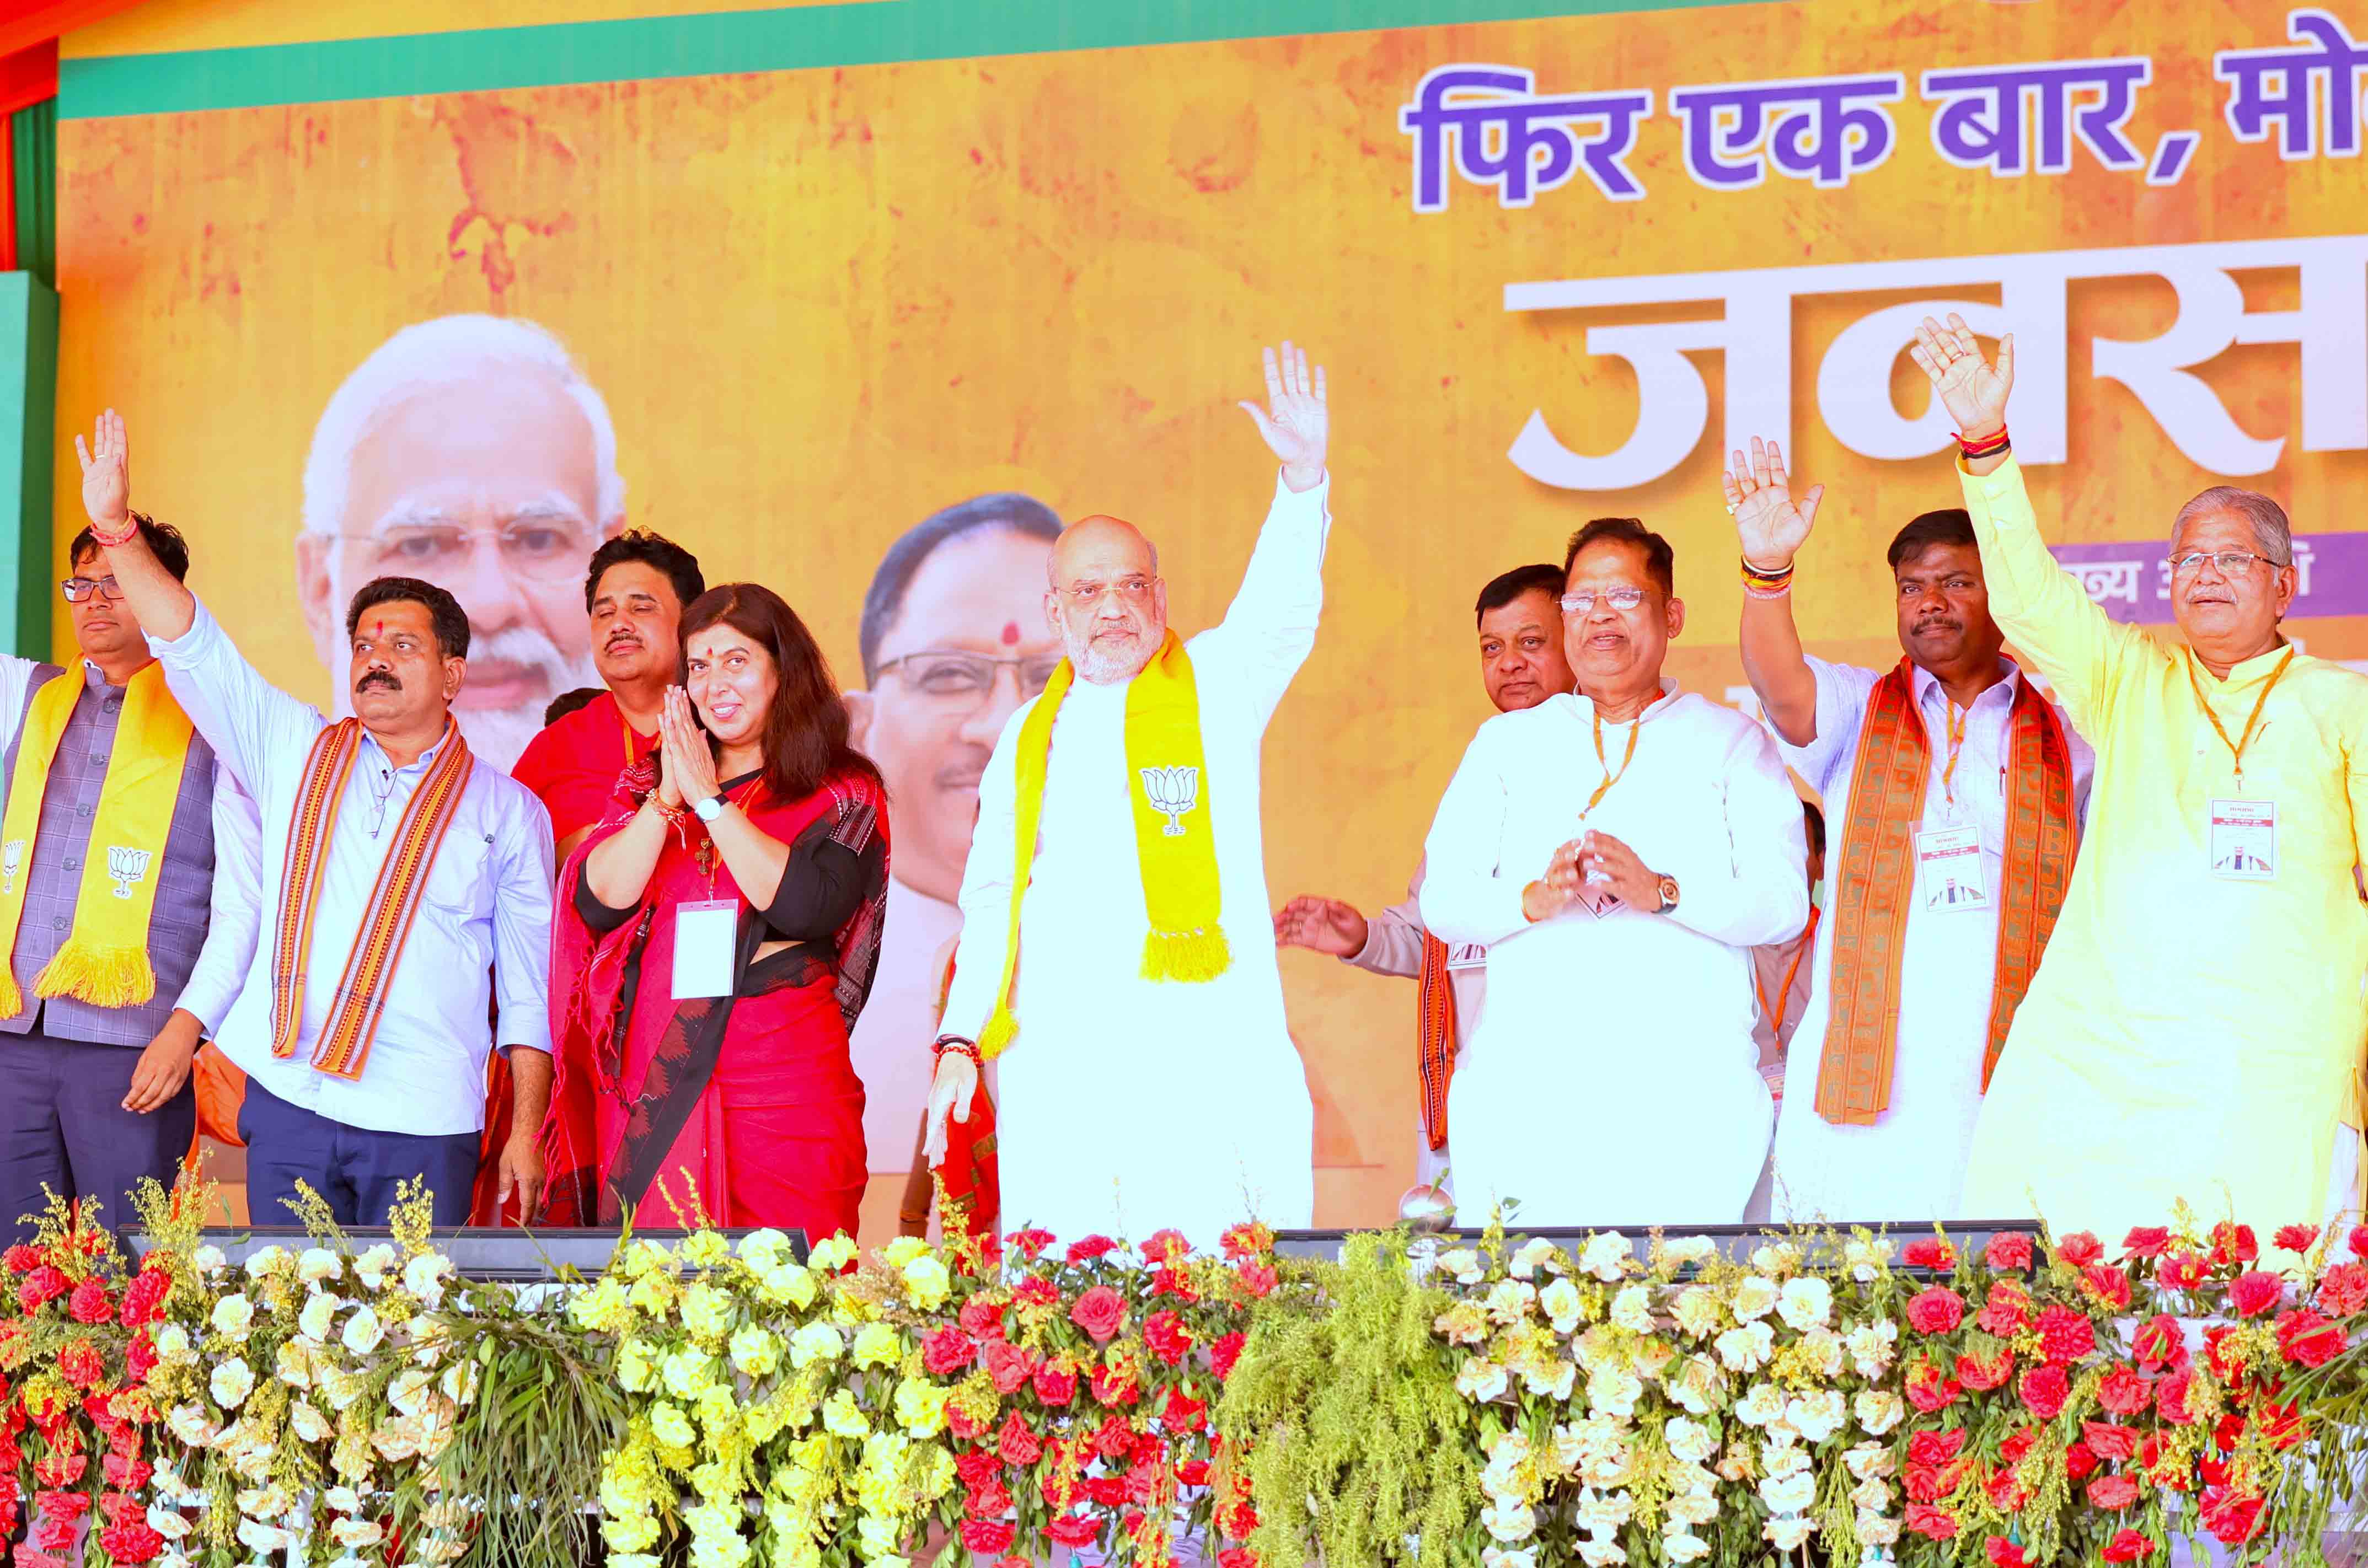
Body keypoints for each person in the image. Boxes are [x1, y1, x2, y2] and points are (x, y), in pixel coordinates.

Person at [1910, 310, 2368, 1238]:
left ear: (2283, 584)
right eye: (2187, 558)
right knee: (2075, 1288)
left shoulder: (2339, 700)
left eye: (2232, 557)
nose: (2204, 574)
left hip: (2270, 1051)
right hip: (2110, 1043)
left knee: (2263, 1290)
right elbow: (2029, 599)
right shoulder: (2128, 678)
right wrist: (1985, 447)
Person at [81, 410, 557, 1227]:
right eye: (365, 644)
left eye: (403, 645)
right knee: (285, 1337)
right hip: (293, 1100)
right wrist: (118, 531)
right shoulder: (293, 748)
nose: (376, 658)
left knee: (413, 1342)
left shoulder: (507, 812)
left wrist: (525, 1133)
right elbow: (194, 646)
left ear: (452, 675)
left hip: (425, 1117)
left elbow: (525, 992)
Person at [924, 342, 1332, 1247]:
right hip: (1060, 1047)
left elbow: (1280, 610)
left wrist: (1302, 480)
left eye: (1131, 584)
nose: (1113, 606)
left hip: (1199, 1038)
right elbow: (992, 900)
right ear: (1054, 611)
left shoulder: (1216, 682)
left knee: (1213, 1268)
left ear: (1160, 594)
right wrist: (958, 1037)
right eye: (1088, 589)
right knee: (1071, 1281)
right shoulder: (1024, 739)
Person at [1729, 436, 2093, 1225]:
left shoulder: (2072, 735)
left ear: (1999, 594)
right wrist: (1765, 572)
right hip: (1867, 1073)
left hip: (2006, 1061)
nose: (1929, 602)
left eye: (1955, 583)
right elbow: (1776, 681)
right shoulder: (1857, 710)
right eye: (1911, 587)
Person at [1420, 517, 1808, 1227]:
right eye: (1579, 600)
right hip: (1529, 1104)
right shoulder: (1507, 744)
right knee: (1526, 1323)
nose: (1598, 616)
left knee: (1680, 1317)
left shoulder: (1728, 741)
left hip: (1686, 1109)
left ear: (1671, 615)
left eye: (1623, 597)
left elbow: (1783, 903)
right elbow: (1444, 900)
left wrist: (1663, 893)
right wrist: (1532, 899)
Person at [539, 585, 888, 1239]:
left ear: (783, 671)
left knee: (792, 1299)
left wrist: (711, 803)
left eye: (736, 660)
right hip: (656, 1080)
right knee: (661, 1300)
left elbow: (807, 906)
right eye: (698, 666)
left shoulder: (841, 790)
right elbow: (595, 900)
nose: (715, 682)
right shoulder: (651, 787)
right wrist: (668, 798)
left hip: (783, 1087)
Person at [1273, 561, 1574, 1190]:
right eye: (1492, 648)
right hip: (1468, 1096)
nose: (1509, 663)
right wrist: (1360, 938)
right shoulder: (1480, 774)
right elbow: (1436, 931)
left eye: (1531, 642)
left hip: (1573, 1089)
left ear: (1577, 638)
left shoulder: (1610, 770)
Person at [0, 519, 259, 1245]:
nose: (93, 599)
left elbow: (242, 906)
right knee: (15, 1275)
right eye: (82, 582)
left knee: (127, 1276)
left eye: (116, 581)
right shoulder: (30, 695)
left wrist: (188, 1029)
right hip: (14, 1036)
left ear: (160, 591)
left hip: (136, 1051)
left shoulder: (219, 724)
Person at [847, 495, 1061, 1228]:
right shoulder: (822, 988)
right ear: (861, 725)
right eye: (949, 675)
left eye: (1050, 680)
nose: (1003, 725)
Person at [294, 315, 628, 770]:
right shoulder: (255, 808)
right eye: (422, 546)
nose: (489, 607)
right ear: (321, 589)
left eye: (539, 539)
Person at [511, 531, 705, 858]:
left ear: (692, 624)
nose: (619, 625)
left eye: (642, 608)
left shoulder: (729, 727)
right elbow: (504, 871)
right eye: (604, 613)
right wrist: (564, 857)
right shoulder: (556, 747)